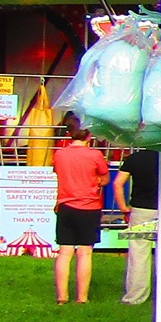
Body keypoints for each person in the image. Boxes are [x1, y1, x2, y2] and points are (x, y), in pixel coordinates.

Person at [50, 116, 111, 304]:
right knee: (85, 253)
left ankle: (62, 297)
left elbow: (58, 173)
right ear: (89, 134)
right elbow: (105, 179)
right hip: (89, 207)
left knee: (64, 252)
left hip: (65, 206)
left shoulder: (60, 154)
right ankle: (82, 298)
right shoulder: (95, 155)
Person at [118, 146, 160, 305]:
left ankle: (135, 297)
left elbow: (118, 183)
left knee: (139, 253)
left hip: (141, 210)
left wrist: (123, 207)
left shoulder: (135, 158)